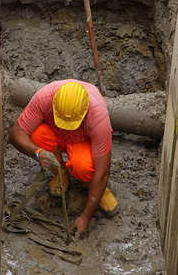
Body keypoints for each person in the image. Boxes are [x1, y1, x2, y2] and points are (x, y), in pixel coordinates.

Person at [9, 79, 119, 233]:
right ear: (54, 105)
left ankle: (99, 192)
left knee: (83, 166)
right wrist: (38, 152)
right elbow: (16, 134)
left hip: (81, 143)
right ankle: (60, 172)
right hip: (54, 136)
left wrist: (85, 217)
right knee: (37, 135)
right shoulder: (44, 98)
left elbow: (103, 172)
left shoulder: (98, 116)